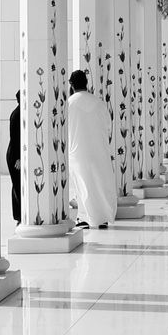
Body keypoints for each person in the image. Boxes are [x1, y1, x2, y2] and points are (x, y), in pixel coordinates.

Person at [68, 70, 117, 228]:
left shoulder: (69, 103)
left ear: (71, 84)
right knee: (99, 183)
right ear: (86, 83)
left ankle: (84, 218)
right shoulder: (98, 103)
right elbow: (108, 126)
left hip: (78, 151)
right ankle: (102, 217)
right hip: (98, 150)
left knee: (82, 185)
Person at [6, 90, 21, 223]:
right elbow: (15, 138)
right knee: (17, 185)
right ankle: (19, 216)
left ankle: (19, 215)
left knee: (18, 185)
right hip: (15, 156)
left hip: (16, 154)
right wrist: (18, 158)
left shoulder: (20, 112)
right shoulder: (17, 114)